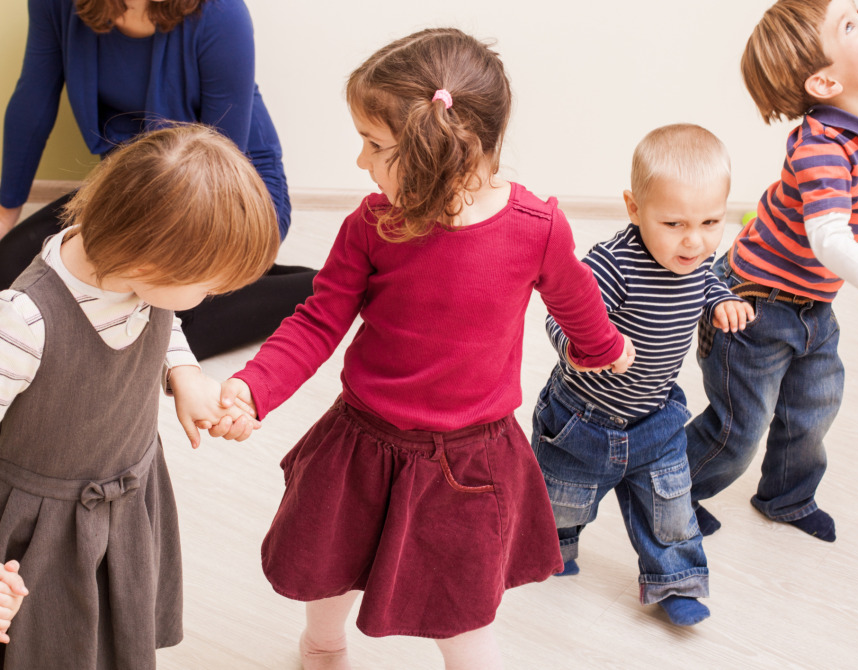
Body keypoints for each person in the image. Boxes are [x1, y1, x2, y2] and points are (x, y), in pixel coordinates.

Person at [205, 27, 635, 670]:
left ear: (438, 153)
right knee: (331, 563)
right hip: (364, 440)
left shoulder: (536, 229)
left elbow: (574, 298)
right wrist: (253, 386)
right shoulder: (371, 226)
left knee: (461, 611)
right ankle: (322, 644)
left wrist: (602, 349)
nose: (360, 162)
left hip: (467, 461)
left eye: (374, 146)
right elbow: (319, 319)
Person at [0, 123, 274, 668]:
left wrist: (184, 373)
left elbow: (158, 311)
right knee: (50, 645)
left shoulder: (125, 261)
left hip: (127, 490)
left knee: (112, 629)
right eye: (209, 286)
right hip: (43, 528)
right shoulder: (23, 323)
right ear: (148, 264)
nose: (211, 297)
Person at [685, 0, 858, 543]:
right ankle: (671, 490)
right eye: (850, 24)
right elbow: (830, 242)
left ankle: (786, 496)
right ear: (824, 83)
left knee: (815, 405)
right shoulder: (820, 148)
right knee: (739, 426)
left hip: (811, 303)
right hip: (753, 305)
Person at [0, 0, 316, 359]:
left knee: (155, 324)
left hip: (230, 191)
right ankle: (232, 279)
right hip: (136, 185)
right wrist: (4, 215)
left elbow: (219, 164)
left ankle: (313, 289)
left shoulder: (222, 12)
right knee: (10, 269)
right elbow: (33, 100)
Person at [530, 124, 753, 627]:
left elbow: (708, 279)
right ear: (634, 208)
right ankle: (553, 548)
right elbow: (559, 315)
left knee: (670, 507)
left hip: (656, 416)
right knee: (561, 497)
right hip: (583, 419)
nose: (695, 241)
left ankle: (673, 580)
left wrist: (722, 302)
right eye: (674, 223)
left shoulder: (697, 257)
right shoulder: (613, 264)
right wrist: (590, 350)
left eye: (711, 221)